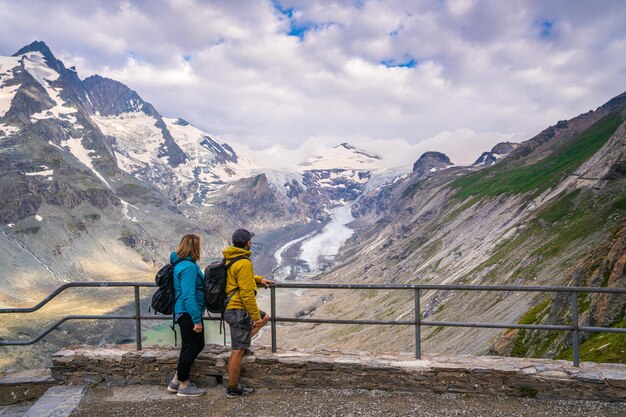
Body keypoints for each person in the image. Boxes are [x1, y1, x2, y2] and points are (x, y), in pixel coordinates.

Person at [223, 228, 274, 398]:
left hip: (232, 308)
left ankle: (243, 343)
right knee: (237, 351)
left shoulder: (232, 258)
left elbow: (240, 278)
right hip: (238, 309)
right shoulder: (244, 262)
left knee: (266, 317)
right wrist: (255, 317)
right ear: (248, 243)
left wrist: (258, 279)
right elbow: (246, 293)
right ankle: (232, 388)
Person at [167, 234, 207, 397]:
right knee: (190, 347)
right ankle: (184, 385)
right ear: (194, 247)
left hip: (183, 312)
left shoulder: (180, 264)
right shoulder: (189, 267)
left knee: (196, 345)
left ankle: (175, 382)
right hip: (188, 312)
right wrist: (196, 320)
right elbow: (188, 295)